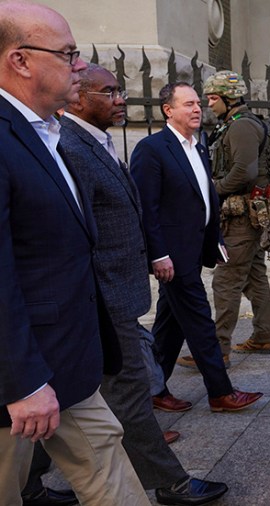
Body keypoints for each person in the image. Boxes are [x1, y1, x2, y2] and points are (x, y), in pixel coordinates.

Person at [55, 64, 229, 506]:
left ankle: (32, 482)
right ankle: (171, 483)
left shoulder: (95, 141)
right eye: (108, 91)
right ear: (76, 97)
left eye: (120, 90)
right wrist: (157, 253)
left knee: (76, 394)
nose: (120, 98)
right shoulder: (72, 146)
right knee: (129, 390)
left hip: (118, 291)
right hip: (103, 294)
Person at [0, 2, 149, 505]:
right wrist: (21, 383)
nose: (81, 66)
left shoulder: (47, 133)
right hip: (16, 379)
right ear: (19, 60)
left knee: (111, 471)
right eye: (68, 54)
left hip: (67, 363)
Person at [131, 81, 263, 414]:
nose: (196, 109)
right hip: (172, 255)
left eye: (198, 104)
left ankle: (153, 388)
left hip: (194, 248)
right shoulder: (152, 149)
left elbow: (203, 197)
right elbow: (146, 207)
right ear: (167, 110)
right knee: (200, 320)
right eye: (187, 104)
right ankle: (220, 392)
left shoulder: (199, 145)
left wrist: (214, 240)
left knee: (170, 323)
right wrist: (158, 254)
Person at [173, 70, 270, 369]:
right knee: (255, 275)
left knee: (226, 281)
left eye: (212, 98)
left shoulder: (242, 127)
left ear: (228, 98)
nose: (207, 104)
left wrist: (210, 189)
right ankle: (263, 336)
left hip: (242, 216)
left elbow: (243, 173)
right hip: (250, 213)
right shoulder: (241, 123)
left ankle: (217, 350)